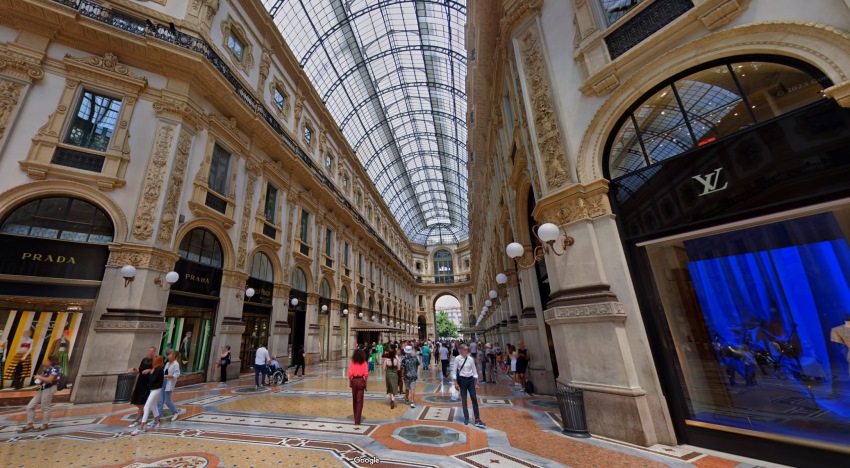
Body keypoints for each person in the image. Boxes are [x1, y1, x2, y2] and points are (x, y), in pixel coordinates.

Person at [19, 355, 61, 432]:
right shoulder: (48, 368)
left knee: (45, 407)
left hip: (49, 388)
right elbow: (44, 378)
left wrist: (39, 377)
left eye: (47, 361)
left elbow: (49, 379)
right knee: (30, 406)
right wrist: (42, 373)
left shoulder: (56, 368)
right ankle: (30, 424)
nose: (46, 362)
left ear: (51, 361)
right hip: (43, 388)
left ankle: (45, 424)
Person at [453, 344, 485, 428]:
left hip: (470, 380)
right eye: (465, 349)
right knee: (464, 399)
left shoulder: (470, 359)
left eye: (468, 349)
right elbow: (454, 371)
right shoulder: (457, 359)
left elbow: (474, 371)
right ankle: (466, 417)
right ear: (461, 350)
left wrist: (476, 383)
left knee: (474, 398)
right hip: (462, 380)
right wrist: (455, 382)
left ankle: (477, 419)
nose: (467, 351)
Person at [131, 356, 164, 435]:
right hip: (152, 389)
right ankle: (156, 421)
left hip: (156, 390)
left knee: (146, 407)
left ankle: (141, 427)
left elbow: (153, 380)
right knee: (153, 405)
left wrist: (151, 373)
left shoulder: (159, 370)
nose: (152, 362)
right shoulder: (155, 369)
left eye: (154, 361)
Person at [128, 347, 156, 428]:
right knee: (136, 401)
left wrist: (149, 370)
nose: (150, 353)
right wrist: (134, 369)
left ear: (154, 352)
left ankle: (137, 420)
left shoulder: (155, 361)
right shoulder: (144, 360)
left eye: (152, 351)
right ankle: (143, 414)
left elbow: (157, 371)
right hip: (140, 381)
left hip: (148, 383)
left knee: (142, 403)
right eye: (149, 351)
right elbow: (139, 370)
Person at [158, 351, 181, 422]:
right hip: (163, 383)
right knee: (160, 401)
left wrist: (167, 376)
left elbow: (176, 375)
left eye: (170, 354)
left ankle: (175, 412)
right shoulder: (167, 363)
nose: (168, 356)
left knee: (167, 401)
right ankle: (157, 418)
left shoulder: (176, 364)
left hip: (169, 383)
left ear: (174, 355)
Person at [348, 348, 369, 425]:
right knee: (360, 401)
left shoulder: (352, 363)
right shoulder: (364, 363)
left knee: (354, 399)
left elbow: (350, 374)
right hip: (361, 381)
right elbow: (366, 375)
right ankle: (357, 420)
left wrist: (350, 382)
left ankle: (355, 416)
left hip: (354, 381)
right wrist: (365, 384)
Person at [384, 344, 401, 409]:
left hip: (388, 374)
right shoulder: (396, 360)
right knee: (394, 387)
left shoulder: (386, 360)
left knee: (390, 387)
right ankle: (392, 399)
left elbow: (384, 368)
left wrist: (388, 369)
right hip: (394, 374)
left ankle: (392, 400)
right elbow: (399, 368)